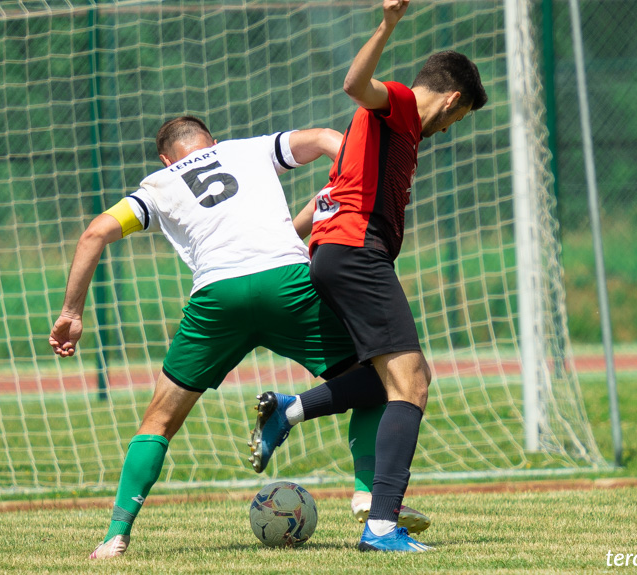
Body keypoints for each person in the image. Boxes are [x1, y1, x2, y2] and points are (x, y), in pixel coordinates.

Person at [48, 116, 429, 560]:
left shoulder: (157, 184)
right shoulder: (248, 149)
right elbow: (330, 139)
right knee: (377, 382)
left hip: (217, 300)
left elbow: (95, 232)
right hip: (288, 285)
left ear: (167, 158)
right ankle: (366, 494)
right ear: (213, 141)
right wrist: (349, 183)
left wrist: (72, 312)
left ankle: (116, 536)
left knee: (158, 421)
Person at [249, 0, 488, 553]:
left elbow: (326, 195)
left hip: (337, 255)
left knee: (387, 377)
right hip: (357, 254)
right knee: (414, 382)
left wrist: (288, 237)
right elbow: (356, 84)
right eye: (458, 116)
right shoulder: (399, 104)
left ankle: (291, 409)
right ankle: (381, 526)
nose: (450, 128)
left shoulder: (377, 140)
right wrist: (388, 24)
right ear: (452, 99)